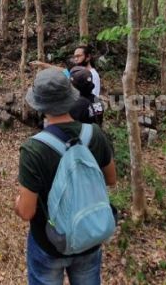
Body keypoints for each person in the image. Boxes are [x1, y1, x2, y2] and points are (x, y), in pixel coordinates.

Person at [15, 68, 116, 285]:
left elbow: (26, 211)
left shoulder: (33, 149)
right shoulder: (95, 134)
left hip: (51, 243)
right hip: (90, 235)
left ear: (39, 105)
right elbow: (111, 179)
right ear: (71, 96)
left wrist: (17, 202)